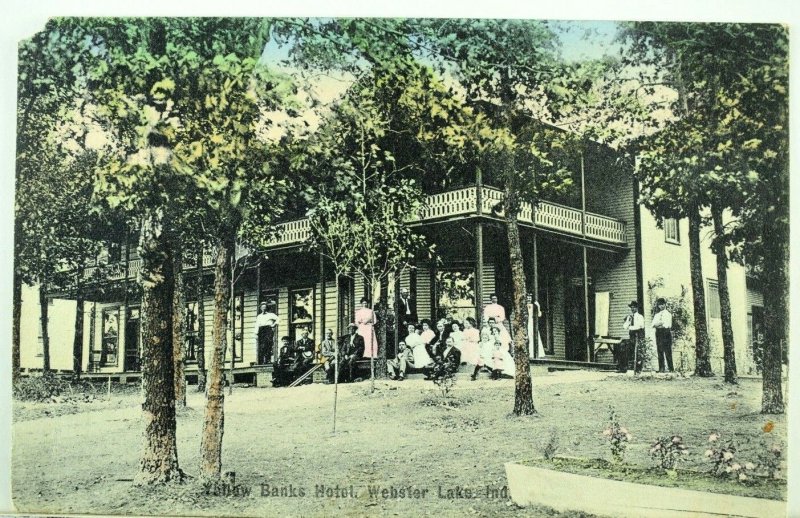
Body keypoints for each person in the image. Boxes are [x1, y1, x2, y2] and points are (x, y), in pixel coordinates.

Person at [621, 300, 645, 374]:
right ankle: (629, 368)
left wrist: (630, 327)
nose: (632, 309)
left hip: (638, 336)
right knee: (629, 351)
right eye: (631, 307)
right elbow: (624, 326)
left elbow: (640, 326)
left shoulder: (640, 317)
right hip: (632, 337)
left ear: (637, 308)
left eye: (634, 307)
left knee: (638, 353)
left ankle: (638, 370)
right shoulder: (630, 317)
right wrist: (628, 322)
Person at [652, 297, 674, 373]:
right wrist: (659, 324)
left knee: (668, 351)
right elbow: (653, 324)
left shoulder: (668, 314)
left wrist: (659, 324)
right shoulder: (657, 315)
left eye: (662, 304)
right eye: (659, 305)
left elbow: (667, 325)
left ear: (665, 304)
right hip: (658, 333)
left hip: (666, 333)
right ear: (658, 306)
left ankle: (671, 369)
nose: (661, 306)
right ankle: (661, 368)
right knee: (660, 350)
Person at [526, 294, 546, 359]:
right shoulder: (524, 305)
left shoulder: (533, 306)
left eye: (530, 298)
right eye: (527, 298)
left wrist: (538, 306)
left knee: (534, 336)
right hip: (526, 322)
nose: (529, 299)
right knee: (528, 337)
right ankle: (529, 353)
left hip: (531, 322)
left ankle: (536, 354)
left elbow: (539, 315)